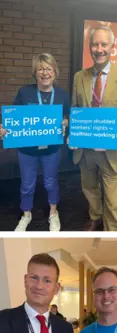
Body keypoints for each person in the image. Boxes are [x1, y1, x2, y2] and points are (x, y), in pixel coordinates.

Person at [71, 26, 117, 232]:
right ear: (90, 46)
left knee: (112, 201)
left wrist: (114, 137)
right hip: (86, 150)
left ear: (112, 47)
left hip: (113, 151)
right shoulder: (79, 77)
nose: (99, 49)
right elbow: (76, 110)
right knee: (90, 188)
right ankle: (95, 215)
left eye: (104, 44)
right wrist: (74, 131)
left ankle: (114, 233)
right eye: (95, 44)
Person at [0, 54, 69, 232]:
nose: (45, 73)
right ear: (35, 72)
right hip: (27, 150)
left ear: (55, 72)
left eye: (48, 68)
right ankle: (26, 214)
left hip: (51, 149)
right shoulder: (25, 92)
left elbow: (68, 116)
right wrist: (4, 129)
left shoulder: (62, 95)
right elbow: (13, 118)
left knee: (50, 182)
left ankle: (53, 213)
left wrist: (65, 122)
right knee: (27, 184)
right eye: (41, 69)